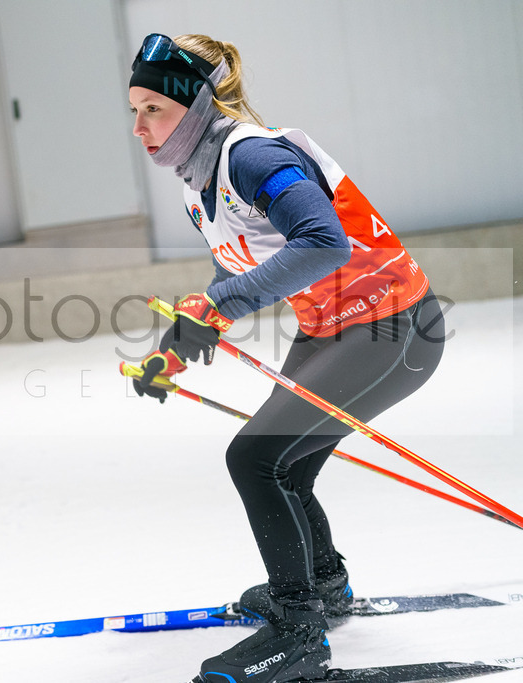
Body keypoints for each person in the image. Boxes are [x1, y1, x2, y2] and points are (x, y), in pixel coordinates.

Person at [127, 33, 446, 682]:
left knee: (255, 457)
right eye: (132, 110)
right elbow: (240, 278)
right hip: (334, 327)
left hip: (393, 326)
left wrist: (222, 304)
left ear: (194, 105)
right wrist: (177, 349)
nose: (138, 126)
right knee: (285, 463)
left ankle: (298, 634)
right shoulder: (199, 182)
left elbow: (323, 241)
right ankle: (323, 589)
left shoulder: (250, 154)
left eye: (153, 108)